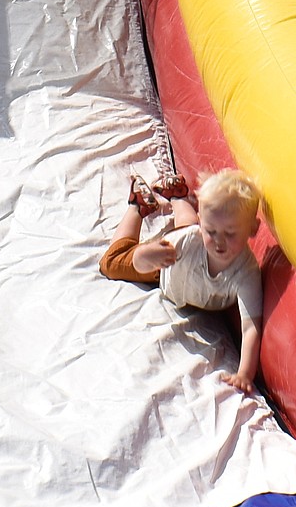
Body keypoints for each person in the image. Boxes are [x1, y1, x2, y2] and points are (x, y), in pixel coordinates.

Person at [99, 167, 263, 394]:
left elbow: (250, 326)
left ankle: (177, 195)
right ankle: (137, 206)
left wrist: (245, 373)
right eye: (211, 231)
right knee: (111, 263)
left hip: (188, 253)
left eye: (230, 233)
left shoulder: (246, 273)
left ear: (253, 228)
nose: (219, 242)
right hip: (166, 269)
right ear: (203, 221)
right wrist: (145, 255)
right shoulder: (188, 242)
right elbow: (142, 263)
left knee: (188, 227)